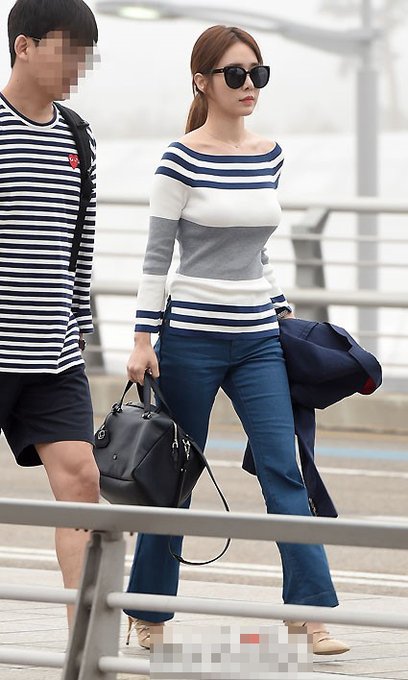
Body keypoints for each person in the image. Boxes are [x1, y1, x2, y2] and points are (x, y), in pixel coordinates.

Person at [126, 24, 349, 656]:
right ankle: (148, 613)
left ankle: (308, 614)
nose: (249, 84)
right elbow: (156, 260)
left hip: (258, 340)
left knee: (285, 469)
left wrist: (280, 309)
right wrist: (143, 338)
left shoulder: (269, 154)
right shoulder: (179, 160)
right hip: (190, 339)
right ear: (202, 81)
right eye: (235, 74)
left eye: (258, 73)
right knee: (173, 478)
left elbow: (257, 251)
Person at [0, 0, 99, 628]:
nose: (77, 68)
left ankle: (86, 650)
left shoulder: (76, 137)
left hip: (53, 353)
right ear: (24, 46)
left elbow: (80, 245)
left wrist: (77, 327)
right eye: (68, 52)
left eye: (85, 56)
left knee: (82, 481)